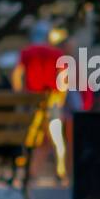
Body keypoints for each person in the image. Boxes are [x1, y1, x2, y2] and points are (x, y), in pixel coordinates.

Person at [12, 22, 69, 181]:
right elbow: (63, 77)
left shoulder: (27, 52)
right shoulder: (57, 53)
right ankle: (60, 169)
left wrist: (19, 93)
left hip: (31, 99)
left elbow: (17, 74)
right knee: (56, 136)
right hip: (52, 99)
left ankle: (28, 169)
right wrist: (61, 97)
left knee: (30, 136)